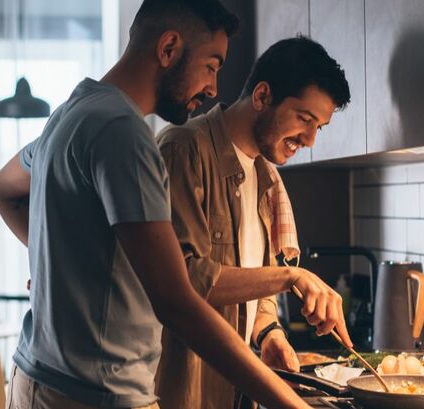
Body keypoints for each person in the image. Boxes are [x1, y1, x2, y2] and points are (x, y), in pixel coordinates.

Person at [0, 1, 313, 408]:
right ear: (168, 48)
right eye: (211, 66)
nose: (213, 88)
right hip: (97, 395)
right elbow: (177, 303)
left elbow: (3, 188)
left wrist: (60, 263)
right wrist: (291, 404)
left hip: (35, 380)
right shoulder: (123, 133)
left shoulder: (70, 115)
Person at [154, 36, 353, 409]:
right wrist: (290, 277)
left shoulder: (266, 178)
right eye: (304, 119)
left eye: (320, 127)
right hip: (182, 395)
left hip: (233, 394)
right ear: (262, 96)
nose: (310, 140)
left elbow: (250, 281)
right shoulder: (183, 150)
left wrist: (269, 332)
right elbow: (183, 280)